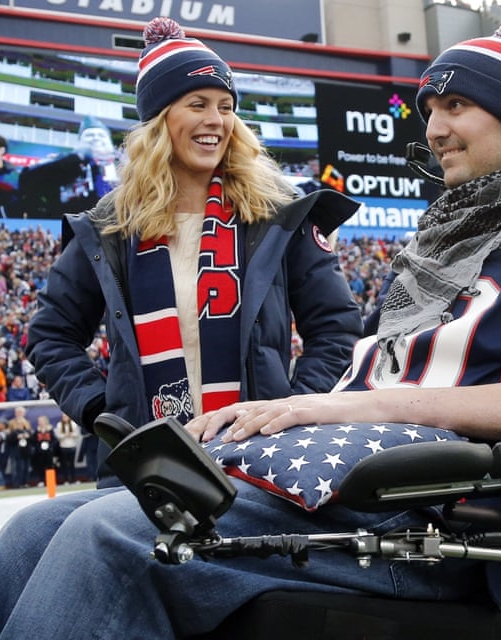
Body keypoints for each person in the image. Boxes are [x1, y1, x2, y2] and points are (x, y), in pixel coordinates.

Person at [0, 22, 501, 640]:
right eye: (430, 108)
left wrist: (326, 408)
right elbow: (54, 335)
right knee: (32, 529)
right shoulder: (451, 235)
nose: (432, 129)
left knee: (107, 537)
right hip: (349, 473)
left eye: (456, 106)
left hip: (421, 508)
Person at [25, 17, 361, 486]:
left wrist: (292, 412)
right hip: (147, 469)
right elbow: (49, 336)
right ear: (160, 120)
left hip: (264, 465)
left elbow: (338, 330)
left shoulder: (279, 218)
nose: (216, 121)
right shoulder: (110, 227)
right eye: (197, 104)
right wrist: (108, 413)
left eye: (226, 107)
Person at [17, 116, 120, 217]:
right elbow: (27, 178)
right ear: (80, 142)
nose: (96, 139)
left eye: (101, 135)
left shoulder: (122, 166)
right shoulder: (64, 162)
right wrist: (74, 159)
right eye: (90, 135)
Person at [53, 414, 81, 484]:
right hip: (63, 447)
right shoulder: (59, 425)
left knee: (72, 464)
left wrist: (71, 435)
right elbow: (58, 435)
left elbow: (77, 434)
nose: (65, 418)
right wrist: (65, 435)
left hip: (72, 446)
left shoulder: (73, 424)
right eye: (63, 417)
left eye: (66, 416)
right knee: (64, 464)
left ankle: (73, 479)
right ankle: (66, 480)